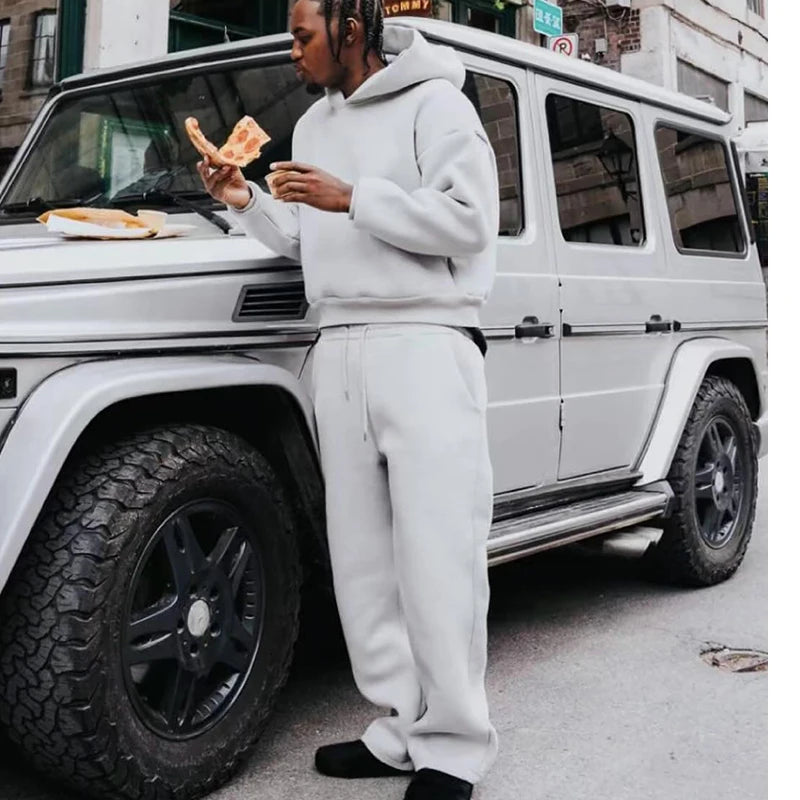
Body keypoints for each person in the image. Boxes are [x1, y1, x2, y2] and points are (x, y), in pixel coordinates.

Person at [197, 2, 500, 798]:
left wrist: (354, 196)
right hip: (338, 344)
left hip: (425, 339)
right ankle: (399, 728)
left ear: (351, 29)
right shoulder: (312, 127)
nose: (292, 51)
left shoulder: (438, 103)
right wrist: (245, 200)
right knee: (364, 564)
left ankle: (455, 747)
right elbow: (311, 241)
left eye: (303, 36)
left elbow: (471, 221)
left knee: (439, 554)